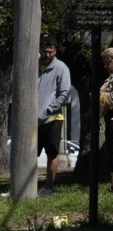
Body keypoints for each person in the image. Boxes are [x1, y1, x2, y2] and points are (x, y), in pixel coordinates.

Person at [37, 34, 72, 196]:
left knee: (52, 153)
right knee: (28, 154)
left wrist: (48, 110)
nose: (47, 55)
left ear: (55, 51)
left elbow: (64, 94)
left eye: (50, 52)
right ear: (40, 50)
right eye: (44, 51)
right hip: (32, 120)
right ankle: (22, 187)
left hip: (52, 119)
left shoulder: (61, 68)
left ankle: (48, 187)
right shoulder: (32, 65)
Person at [100, 48, 113, 193]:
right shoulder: (109, 79)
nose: (105, 66)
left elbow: (109, 100)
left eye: (107, 62)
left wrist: (102, 99)